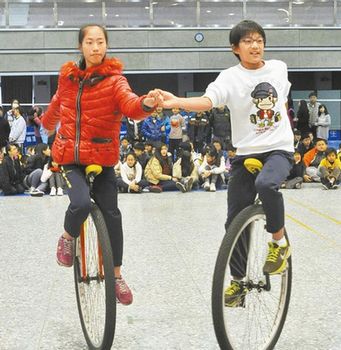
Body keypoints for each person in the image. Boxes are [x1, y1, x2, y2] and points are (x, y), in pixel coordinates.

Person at [157, 20, 293, 303]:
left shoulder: (279, 68)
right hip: (245, 154)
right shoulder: (229, 77)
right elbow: (208, 101)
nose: (255, 46)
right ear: (235, 48)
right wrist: (177, 102)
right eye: (248, 41)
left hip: (279, 149)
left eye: (259, 40)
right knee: (234, 221)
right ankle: (238, 282)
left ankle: (278, 244)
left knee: (267, 184)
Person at [41, 24, 160, 305]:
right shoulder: (68, 77)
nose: (96, 47)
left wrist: (146, 104)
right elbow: (58, 103)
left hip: (103, 158)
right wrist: (46, 124)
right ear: (80, 46)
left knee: (112, 215)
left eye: (100, 42)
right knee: (80, 203)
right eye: (90, 42)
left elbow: (130, 105)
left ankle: (116, 275)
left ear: (106, 45)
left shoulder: (115, 81)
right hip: (69, 158)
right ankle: (68, 236)